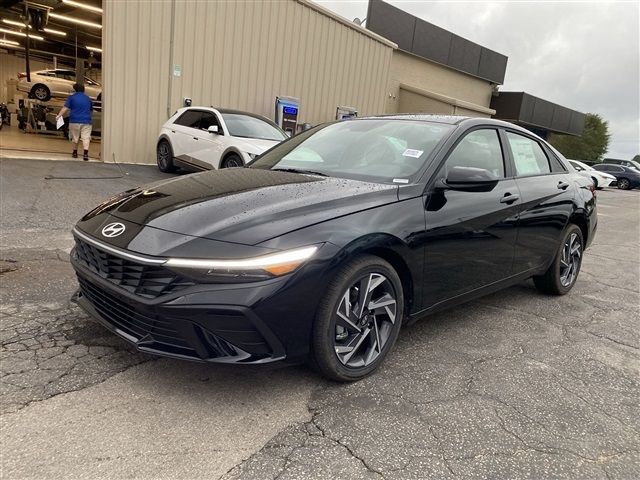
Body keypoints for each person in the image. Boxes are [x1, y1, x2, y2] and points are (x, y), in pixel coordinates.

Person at [57, 83, 93, 161]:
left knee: (75, 137)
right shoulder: (88, 98)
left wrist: (59, 115)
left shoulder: (71, 97)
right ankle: (85, 154)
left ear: (75, 89)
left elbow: (65, 108)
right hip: (86, 121)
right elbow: (91, 110)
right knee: (86, 138)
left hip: (74, 120)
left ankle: (75, 153)